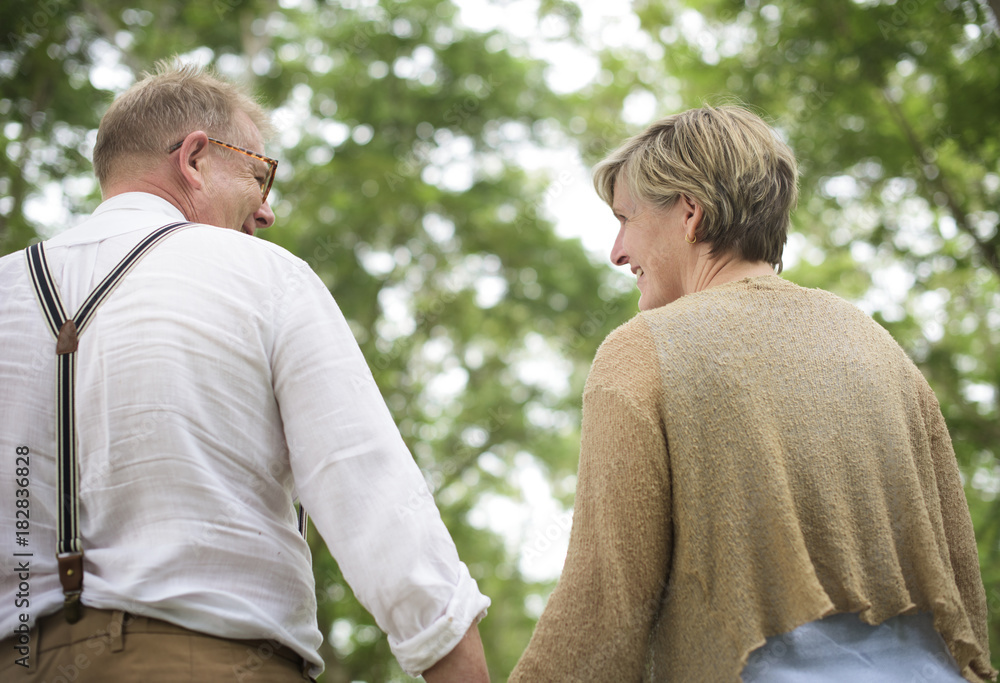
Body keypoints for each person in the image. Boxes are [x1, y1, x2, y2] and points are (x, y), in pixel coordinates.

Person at [0, 62, 489, 682]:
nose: (266, 213)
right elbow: (375, 498)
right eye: (260, 176)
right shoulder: (265, 277)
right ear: (195, 158)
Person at [510, 105, 996, 682]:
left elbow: (604, 608)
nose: (616, 251)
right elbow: (961, 582)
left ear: (689, 213)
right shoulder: (882, 351)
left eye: (625, 219)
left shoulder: (643, 353)